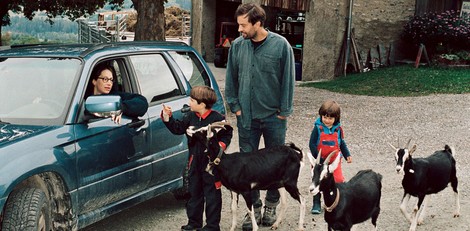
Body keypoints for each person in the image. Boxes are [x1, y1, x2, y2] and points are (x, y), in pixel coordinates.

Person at [224, 3, 295, 229]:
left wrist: (284, 111)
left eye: (244, 25)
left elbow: (288, 80)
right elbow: (230, 79)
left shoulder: (281, 46)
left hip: (274, 118)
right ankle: (252, 209)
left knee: (274, 165)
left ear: (257, 23)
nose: (240, 29)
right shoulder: (237, 46)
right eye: (239, 25)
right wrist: (235, 106)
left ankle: (271, 204)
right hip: (246, 118)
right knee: (246, 167)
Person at [161, 86, 233, 231]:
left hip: (211, 164)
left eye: (192, 100)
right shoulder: (190, 117)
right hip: (194, 161)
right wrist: (168, 117)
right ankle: (194, 222)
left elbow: (227, 134)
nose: (189, 102)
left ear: (202, 104)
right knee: (194, 192)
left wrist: (220, 146)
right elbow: (177, 128)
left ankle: (212, 226)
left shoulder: (218, 118)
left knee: (212, 194)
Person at [309, 100, 352, 214]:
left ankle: (335, 201)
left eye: (330, 118)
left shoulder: (338, 129)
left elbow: (341, 143)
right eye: (325, 117)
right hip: (320, 162)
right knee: (317, 180)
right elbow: (312, 144)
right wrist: (318, 159)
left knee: (337, 180)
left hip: (334, 162)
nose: (327, 120)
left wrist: (347, 154)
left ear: (336, 118)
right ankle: (316, 203)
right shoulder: (317, 128)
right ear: (321, 116)